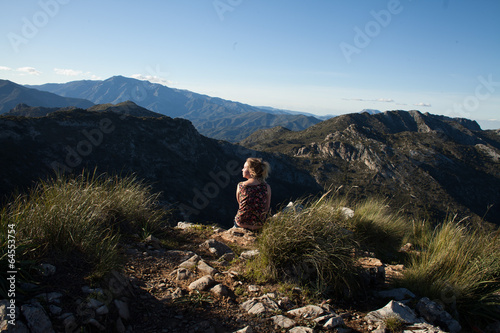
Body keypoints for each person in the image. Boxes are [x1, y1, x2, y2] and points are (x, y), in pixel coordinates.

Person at [234, 157, 271, 230]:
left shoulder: (241, 186)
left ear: (251, 171)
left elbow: (241, 204)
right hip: (259, 225)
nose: (242, 169)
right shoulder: (266, 187)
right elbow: (266, 208)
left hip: (241, 223)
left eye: (244, 168)